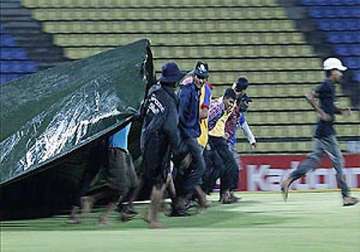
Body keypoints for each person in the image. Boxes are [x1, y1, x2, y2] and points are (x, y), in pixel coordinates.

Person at [281, 57, 358, 207]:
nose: (341, 74)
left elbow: (328, 106)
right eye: (339, 71)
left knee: (313, 159)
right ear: (332, 72)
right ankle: (346, 196)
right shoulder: (327, 85)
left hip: (321, 130)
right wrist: (320, 112)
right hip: (327, 130)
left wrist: (340, 111)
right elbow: (309, 95)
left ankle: (288, 180)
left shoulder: (330, 87)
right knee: (338, 162)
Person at [141, 61, 188, 228]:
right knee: (159, 182)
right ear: (175, 82)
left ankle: (150, 212)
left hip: (145, 138)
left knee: (164, 177)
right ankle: (152, 219)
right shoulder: (171, 101)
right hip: (158, 143)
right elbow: (171, 129)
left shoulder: (154, 93)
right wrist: (180, 152)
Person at [81, 123, 139, 224]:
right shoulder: (120, 110)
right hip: (115, 149)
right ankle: (92, 199)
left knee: (133, 184)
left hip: (124, 149)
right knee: (121, 187)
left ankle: (121, 211)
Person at [175, 61, 209, 212]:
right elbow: (180, 117)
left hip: (191, 135)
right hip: (186, 136)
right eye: (198, 77)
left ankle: (181, 201)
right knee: (200, 166)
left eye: (203, 78)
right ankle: (183, 197)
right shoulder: (187, 91)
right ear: (194, 76)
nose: (200, 80)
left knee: (186, 168)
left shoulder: (196, 91)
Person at [224, 76, 256, 201]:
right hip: (226, 142)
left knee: (231, 168)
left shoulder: (239, 114)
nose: (247, 105)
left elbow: (244, 126)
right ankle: (227, 193)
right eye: (246, 102)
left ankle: (227, 193)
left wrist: (252, 139)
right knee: (232, 167)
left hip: (230, 142)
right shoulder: (231, 110)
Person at [207, 88, 237, 203]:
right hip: (209, 137)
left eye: (233, 103)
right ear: (224, 99)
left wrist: (227, 133)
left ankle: (225, 194)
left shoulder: (228, 107)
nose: (231, 105)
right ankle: (201, 193)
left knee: (230, 164)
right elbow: (204, 123)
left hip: (218, 138)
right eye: (230, 102)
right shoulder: (216, 108)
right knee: (217, 166)